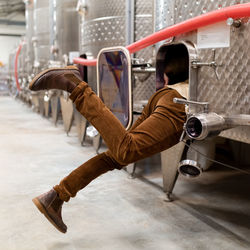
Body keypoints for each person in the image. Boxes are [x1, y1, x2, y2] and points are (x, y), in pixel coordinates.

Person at [29, 52, 189, 233]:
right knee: (126, 150)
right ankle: (75, 86)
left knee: (116, 157)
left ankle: (56, 197)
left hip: (165, 96)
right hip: (179, 102)